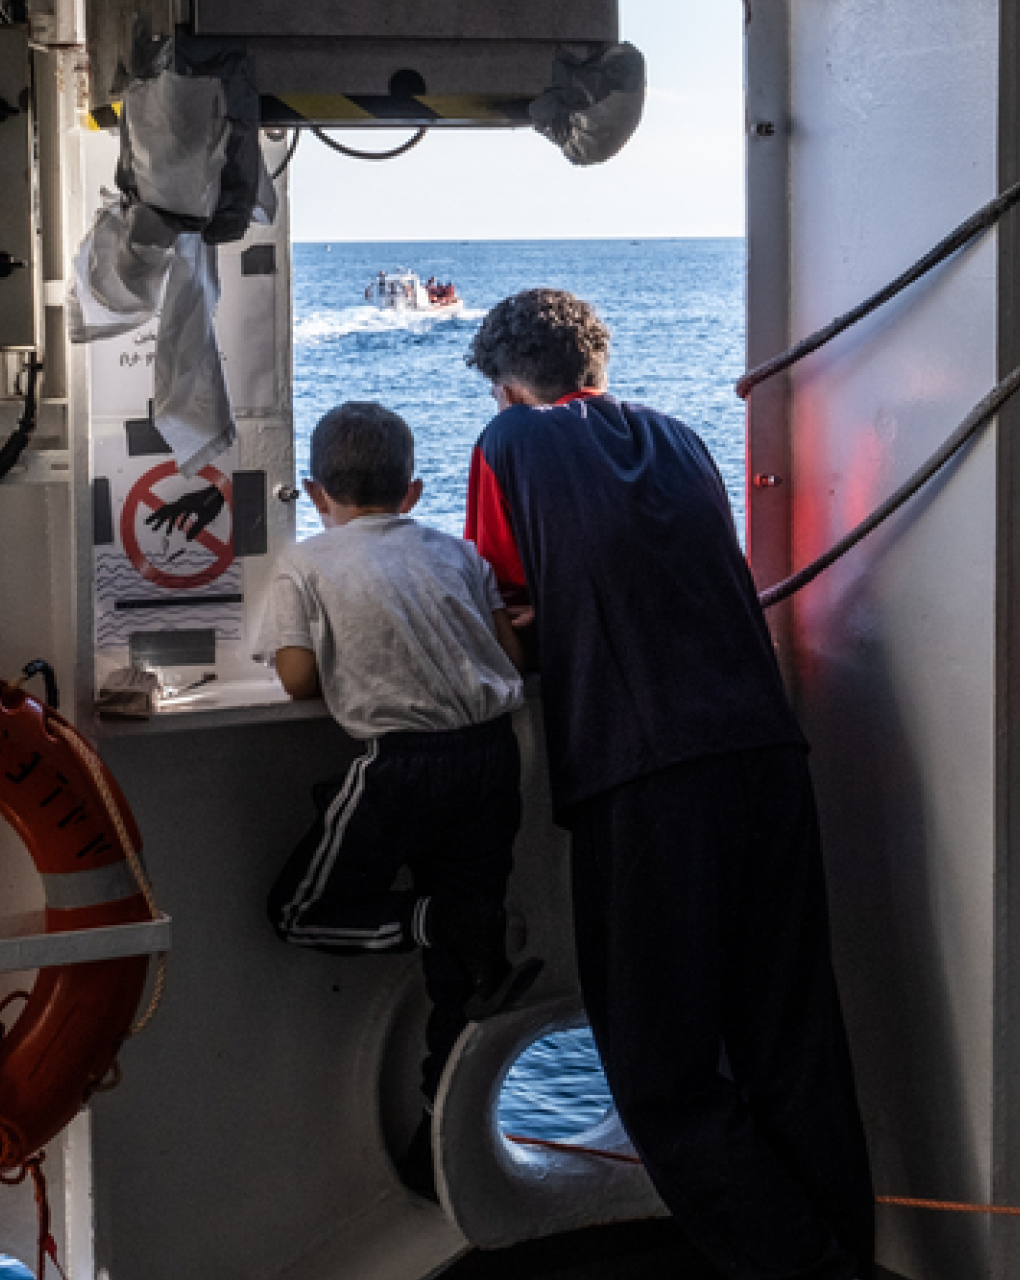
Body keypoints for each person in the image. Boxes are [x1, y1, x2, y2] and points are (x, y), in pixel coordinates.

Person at [461, 289, 876, 1280]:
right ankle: (846, 1254)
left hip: (645, 773)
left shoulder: (510, 441)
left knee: (661, 1077)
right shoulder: (684, 439)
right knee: (793, 1050)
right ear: (596, 369)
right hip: (766, 754)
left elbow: (495, 599)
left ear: (510, 387)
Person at [255, 401, 542, 1197]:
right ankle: (437, 1153)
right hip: (495, 757)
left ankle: (437, 918)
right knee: (463, 975)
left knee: (298, 913)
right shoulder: (456, 553)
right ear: (413, 491)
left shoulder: (306, 564)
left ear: (315, 494)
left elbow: (299, 679)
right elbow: (511, 655)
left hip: (405, 765)